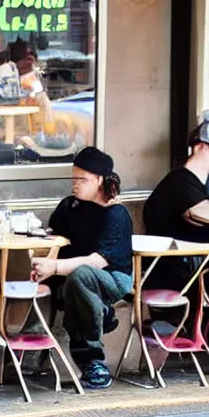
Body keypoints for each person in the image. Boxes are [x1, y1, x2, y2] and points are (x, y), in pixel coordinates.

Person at [30, 146, 133, 389]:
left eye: (82, 179)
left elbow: (98, 261)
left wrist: (55, 267)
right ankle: (26, 345)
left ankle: (93, 362)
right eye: (73, 178)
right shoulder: (71, 206)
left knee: (82, 275)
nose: (75, 184)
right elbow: (54, 234)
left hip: (111, 279)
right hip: (70, 276)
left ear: (100, 180)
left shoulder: (116, 214)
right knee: (62, 279)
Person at [142, 120, 209, 294]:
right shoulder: (181, 184)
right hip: (179, 276)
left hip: (188, 271)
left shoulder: (197, 185)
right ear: (200, 148)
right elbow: (206, 214)